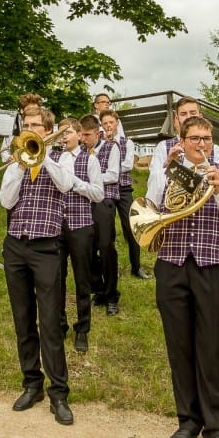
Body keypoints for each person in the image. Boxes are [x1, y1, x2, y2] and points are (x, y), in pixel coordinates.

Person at [146, 115, 219, 438]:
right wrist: (167, 170)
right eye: (195, 139)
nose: (201, 144)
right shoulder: (166, 168)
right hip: (172, 265)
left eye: (206, 138)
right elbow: (152, 208)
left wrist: (218, 190)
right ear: (182, 140)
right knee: (179, 347)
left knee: (209, 347)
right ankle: (186, 421)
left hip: (210, 267)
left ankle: (216, 428)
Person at [0, 105, 77, 426]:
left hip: (46, 247)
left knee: (49, 322)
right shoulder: (15, 162)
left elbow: (65, 186)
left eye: (35, 125)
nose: (29, 128)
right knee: (22, 319)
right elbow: (6, 201)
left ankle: (58, 392)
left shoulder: (62, 159)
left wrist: (41, 156)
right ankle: (32, 383)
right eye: (26, 124)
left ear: (48, 129)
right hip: (16, 244)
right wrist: (20, 164)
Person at [55, 118, 103, 353]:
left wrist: (75, 183)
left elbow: (99, 194)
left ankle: (82, 328)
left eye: (69, 132)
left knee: (82, 279)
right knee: (56, 278)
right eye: (61, 132)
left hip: (81, 225)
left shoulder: (90, 159)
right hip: (55, 225)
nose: (64, 136)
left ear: (79, 135)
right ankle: (60, 324)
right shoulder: (53, 158)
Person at [80, 114, 120, 317]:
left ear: (98, 133)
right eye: (81, 134)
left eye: (87, 135)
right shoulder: (78, 151)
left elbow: (113, 175)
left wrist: (91, 178)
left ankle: (112, 294)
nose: (83, 139)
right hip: (84, 202)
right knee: (87, 248)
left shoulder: (111, 148)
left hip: (104, 201)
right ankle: (99, 288)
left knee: (106, 247)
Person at [100, 109, 148, 280]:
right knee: (107, 230)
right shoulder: (99, 144)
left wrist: (111, 165)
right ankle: (109, 269)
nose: (108, 126)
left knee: (131, 226)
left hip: (124, 188)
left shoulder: (127, 142)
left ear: (117, 123)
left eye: (110, 123)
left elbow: (128, 165)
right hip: (106, 190)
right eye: (105, 123)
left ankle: (136, 267)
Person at [151, 97, 219, 189]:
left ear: (200, 116)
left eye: (193, 113)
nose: (188, 117)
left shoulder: (216, 150)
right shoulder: (163, 147)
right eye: (183, 114)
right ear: (177, 118)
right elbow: (153, 185)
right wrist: (168, 164)